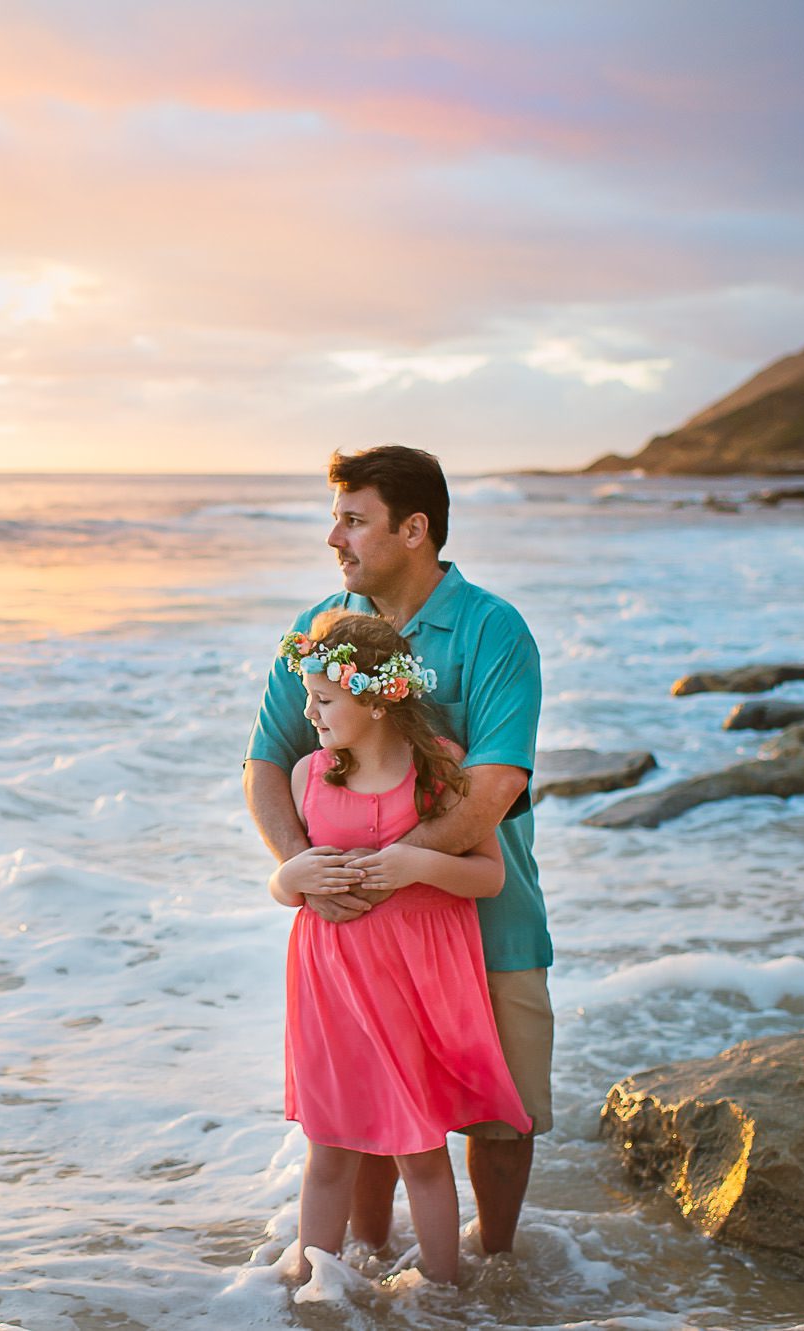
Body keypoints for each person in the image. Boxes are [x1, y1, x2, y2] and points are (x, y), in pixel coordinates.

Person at [248, 445, 552, 1262]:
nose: (333, 538)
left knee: (504, 1113)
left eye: (353, 520)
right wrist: (307, 873)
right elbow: (266, 763)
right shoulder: (318, 632)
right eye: (335, 518)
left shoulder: (494, 629)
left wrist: (385, 868)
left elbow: (491, 788)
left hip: (491, 917)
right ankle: (370, 1279)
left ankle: (491, 1274)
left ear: (415, 529)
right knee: (370, 1121)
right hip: (356, 932)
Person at [270, 610, 531, 1285]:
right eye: (307, 697)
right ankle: (312, 1289)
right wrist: (287, 876)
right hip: (332, 993)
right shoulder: (307, 774)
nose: (309, 711)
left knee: (420, 1150)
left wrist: (414, 865)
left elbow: (489, 873)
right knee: (327, 1149)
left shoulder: (439, 769)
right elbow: (287, 883)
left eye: (323, 699)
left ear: (377, 700)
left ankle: (442, 1296)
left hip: (413, 989)